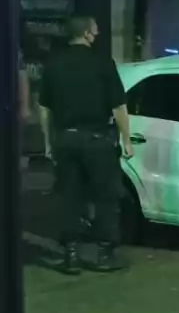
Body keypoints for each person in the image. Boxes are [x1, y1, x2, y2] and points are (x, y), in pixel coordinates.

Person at [39, 15, 134, 275]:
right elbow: (118, 106)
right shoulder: (102, 63)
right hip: (97, 140)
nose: (99, 31)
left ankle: (71, 255)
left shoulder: (54, 64)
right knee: (106, 197)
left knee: (69, 197)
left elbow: (45, 108)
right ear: (88, 33)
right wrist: (127, 140)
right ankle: (104, 254)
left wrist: (49, 142)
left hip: (66, 140)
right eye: (96, 28)